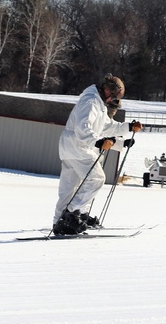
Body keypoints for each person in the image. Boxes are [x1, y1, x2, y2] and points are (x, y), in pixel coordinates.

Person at [53, 74, 143, 235]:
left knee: (69, 188)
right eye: (113, 97)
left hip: (72, 147)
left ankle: (59, 223)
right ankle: (72, 214)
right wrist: (97, 142)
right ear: (107, 89)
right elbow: (83, 127)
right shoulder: (91, 102)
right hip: (79, 147)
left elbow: (107, 127)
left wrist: (128, 128)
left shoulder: (98, 103)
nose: (112, 101)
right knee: (96, 179)